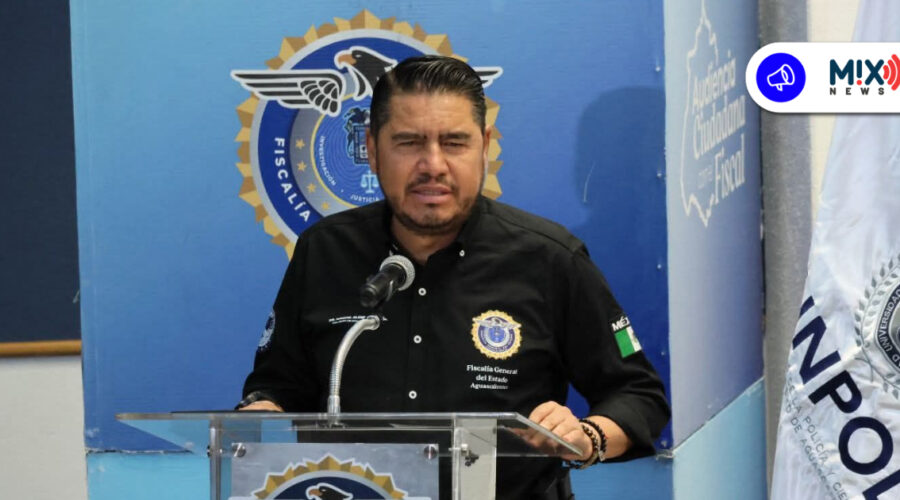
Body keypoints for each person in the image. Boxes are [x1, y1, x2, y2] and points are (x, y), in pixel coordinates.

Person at [238, 55, 670, 499]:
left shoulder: (550, 260)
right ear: (371, 149)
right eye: (409, 142)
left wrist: (587, 436)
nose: (433, 165)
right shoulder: (324, 252)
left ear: (485, 147)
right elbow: (277, 385)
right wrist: (263, 409)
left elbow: (638, 394)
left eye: (454, 142)